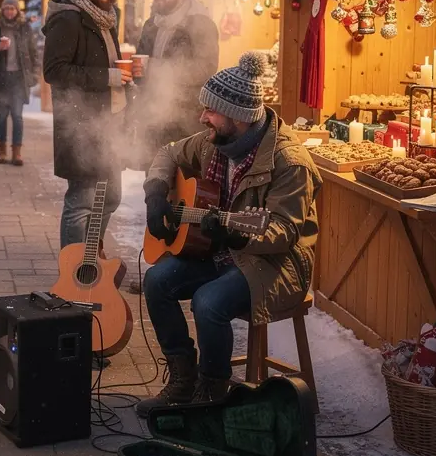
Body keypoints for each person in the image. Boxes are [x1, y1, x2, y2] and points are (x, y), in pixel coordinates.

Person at [137, 51, 322, 414]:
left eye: (210, 111)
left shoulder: (290, 162)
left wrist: (237, 235)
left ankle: (213, 391)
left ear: (237, 116)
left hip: (272, 264)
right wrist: (157, 191)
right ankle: (182, 379)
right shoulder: (213, 142)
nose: (202, 117)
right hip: (218, 251)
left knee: (209, 302)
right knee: (157, 281)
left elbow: (284, 232)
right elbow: (169, 152)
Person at [42, 0, 130, 249]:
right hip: (80, 124)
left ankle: (90, 256)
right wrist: (108, 78)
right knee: (82, 201)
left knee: (111, 196)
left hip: (109, 124)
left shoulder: (105, 18)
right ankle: (73, 271)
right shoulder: (68, 19)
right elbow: (54, 71)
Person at [135, 0, 219, 160]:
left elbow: (205, 68)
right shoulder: (151, 24)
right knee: (153, 182)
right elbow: (142, 64)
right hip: (153, 118)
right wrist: (137, 72)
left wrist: (156, 69)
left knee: (181, 185)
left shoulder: (200, 24)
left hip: (184, 120)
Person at [0, 0, 37, 166]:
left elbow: (33, 51)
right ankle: (2, 151)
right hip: (0, 77)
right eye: (6, 8)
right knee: (1, 116)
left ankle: (17, 152)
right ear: (2, 10)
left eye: (12, 8)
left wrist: (34, 73)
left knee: (17, 116)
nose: (9, 12)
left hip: (19, 78)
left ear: (17, 10)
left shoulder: (24, 27)